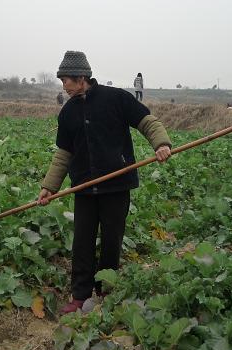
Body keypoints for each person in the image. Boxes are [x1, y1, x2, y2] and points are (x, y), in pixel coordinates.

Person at [37, 51, 172, 315]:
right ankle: (80, 295)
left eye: (66, 80)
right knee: (82, 242)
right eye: (62, 81)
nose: (64, 86)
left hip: (116, 185)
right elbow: (64, 153)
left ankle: (106, 290)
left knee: (111, 240)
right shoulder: (68, 113)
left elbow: (147, 122)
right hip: (84, 187)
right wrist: (48, 187)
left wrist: (161, 144)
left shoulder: (116, 98)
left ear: (81, 77)